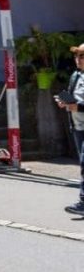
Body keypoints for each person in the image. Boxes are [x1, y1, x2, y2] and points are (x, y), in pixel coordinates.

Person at [56, 44, 84, 218]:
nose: (78, 59)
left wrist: (77, 106)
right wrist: (64, 102)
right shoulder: (75, 76)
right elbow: (72, 96)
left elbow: (79, 104)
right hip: (78, 127)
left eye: (82, 56)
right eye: (77, 56)